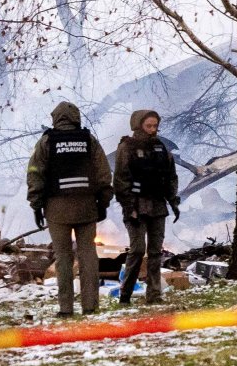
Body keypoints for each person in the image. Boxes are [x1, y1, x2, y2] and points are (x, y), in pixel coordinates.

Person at [26, 101, 112, 317]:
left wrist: (36, 205)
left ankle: (66, 308)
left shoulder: (46, 141)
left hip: (57, 209)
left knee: (63, 258)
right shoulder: (88, 140)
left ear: (56, 118)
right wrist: (103, 202)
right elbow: (103, 172)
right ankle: (90, 306)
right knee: (88, 256)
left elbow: (35, 172)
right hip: (86, 207)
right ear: (76, 117)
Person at [114, 109, 181, 305]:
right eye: (149, 126)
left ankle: (154, 295)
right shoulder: (127, 147)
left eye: (155, 126)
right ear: (138, 125)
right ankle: (125, 295)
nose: (153, 130)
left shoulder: (161, 147)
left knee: (155, 252)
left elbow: (170, 176)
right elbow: (120, 179)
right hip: (136, 205)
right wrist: (128, 207)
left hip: (158, 205)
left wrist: (173, 201)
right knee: (137, 249)